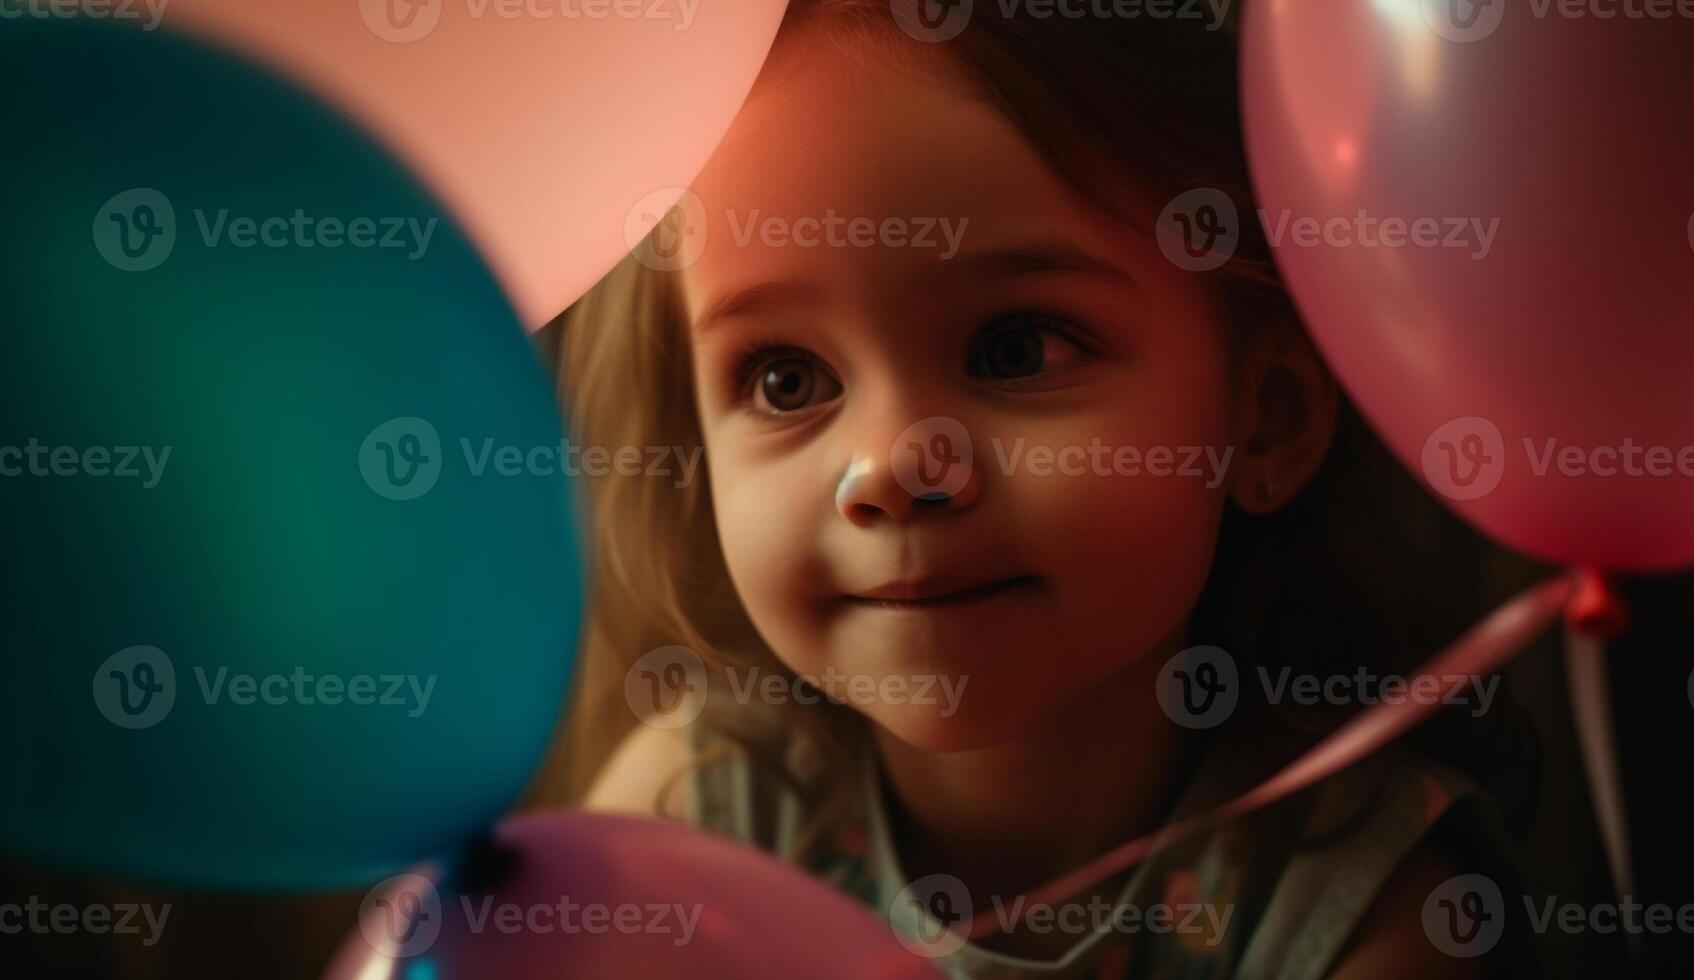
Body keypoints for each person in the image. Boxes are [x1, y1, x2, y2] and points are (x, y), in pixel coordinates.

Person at [565, 3, 1538, 976]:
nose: (892, 467)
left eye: (1015, 348)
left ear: (1265, 414)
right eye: (785, 380)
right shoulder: (696, 809)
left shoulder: (1377, 913)